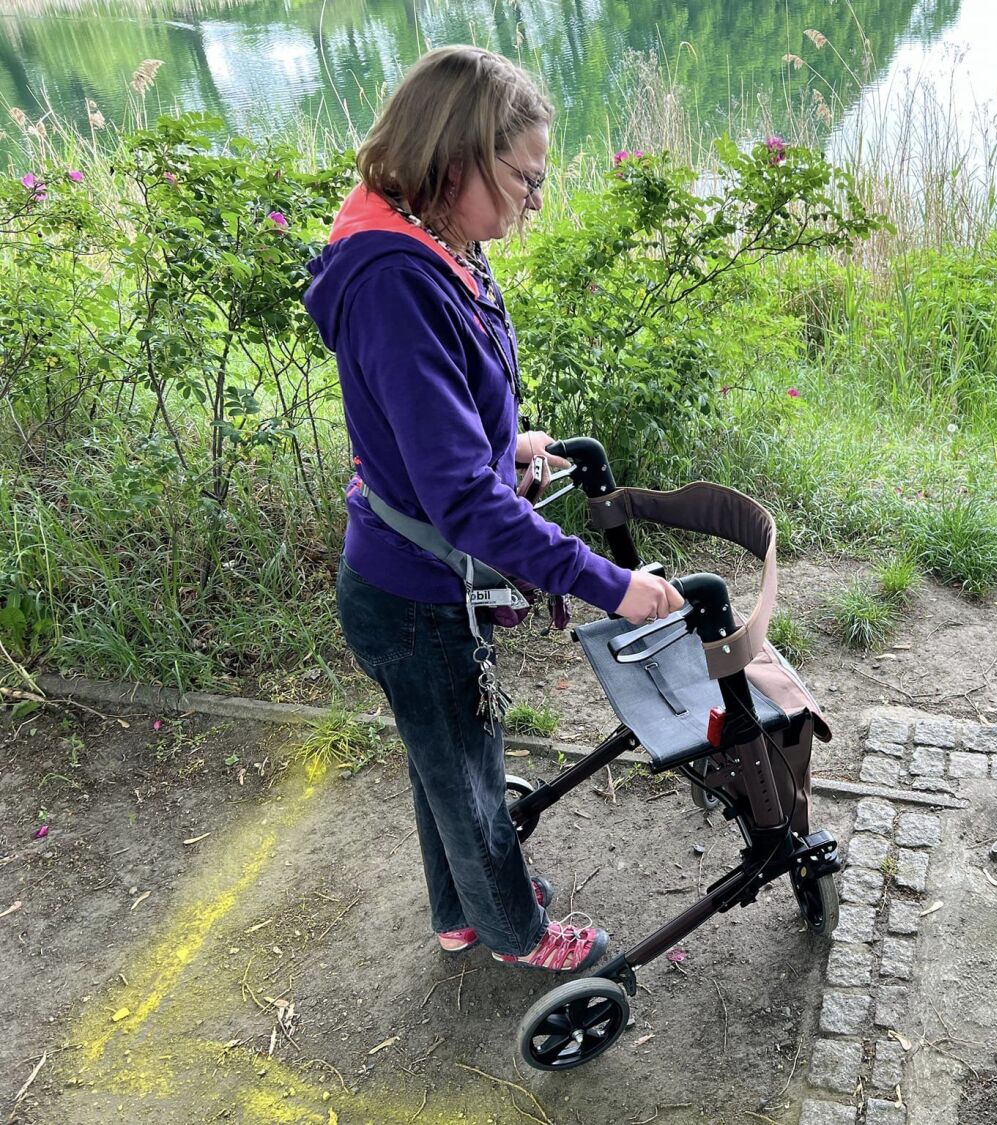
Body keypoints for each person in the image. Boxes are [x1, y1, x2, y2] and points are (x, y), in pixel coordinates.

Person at [303, 45, 682, 972]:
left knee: (446, 764)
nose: (535, 198)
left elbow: (429, 420)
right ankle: (518, 933)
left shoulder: (438, 244)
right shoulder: (396, 280)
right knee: (468, 777)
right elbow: (465, 505)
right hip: (413, 594)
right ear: (457, 158)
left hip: (415, 582)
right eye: (525, 176)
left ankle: (462, 912)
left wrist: (496, 441)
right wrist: (611, 585)